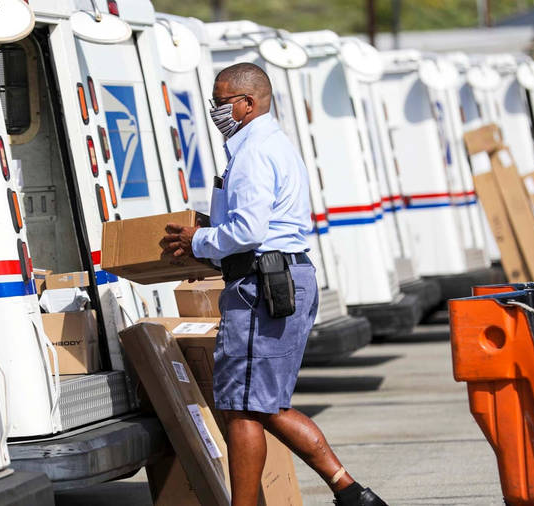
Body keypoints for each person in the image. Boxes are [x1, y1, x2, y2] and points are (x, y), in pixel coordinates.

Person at [162, 62, 386, 506]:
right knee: (258, 403)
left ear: (248, 103)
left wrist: (200, 239)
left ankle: (344, 491)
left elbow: (248, 231)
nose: (214, 110)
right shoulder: (267, 145)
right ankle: (350, 491)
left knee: (245, 406)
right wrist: (211, 238)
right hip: (277, 279)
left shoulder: (252, 153)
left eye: (221, 101)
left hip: (262, 286)